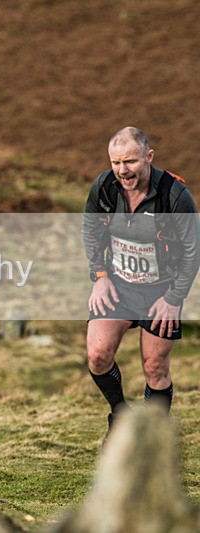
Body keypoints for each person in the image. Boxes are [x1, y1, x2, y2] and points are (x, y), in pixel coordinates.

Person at [82, 126, 200, 441]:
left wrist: (175, 298)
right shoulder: (104, 187)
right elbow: (90, 228)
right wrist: (100, 276)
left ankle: (153, 436)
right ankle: (120, 415)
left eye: (131, 162)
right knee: (97, 354)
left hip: (162, 290)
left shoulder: (174, 195)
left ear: (148, 157)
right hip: (119, 286)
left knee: (155, 367)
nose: (123, 171)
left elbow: (193, 249)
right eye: (116, 163)